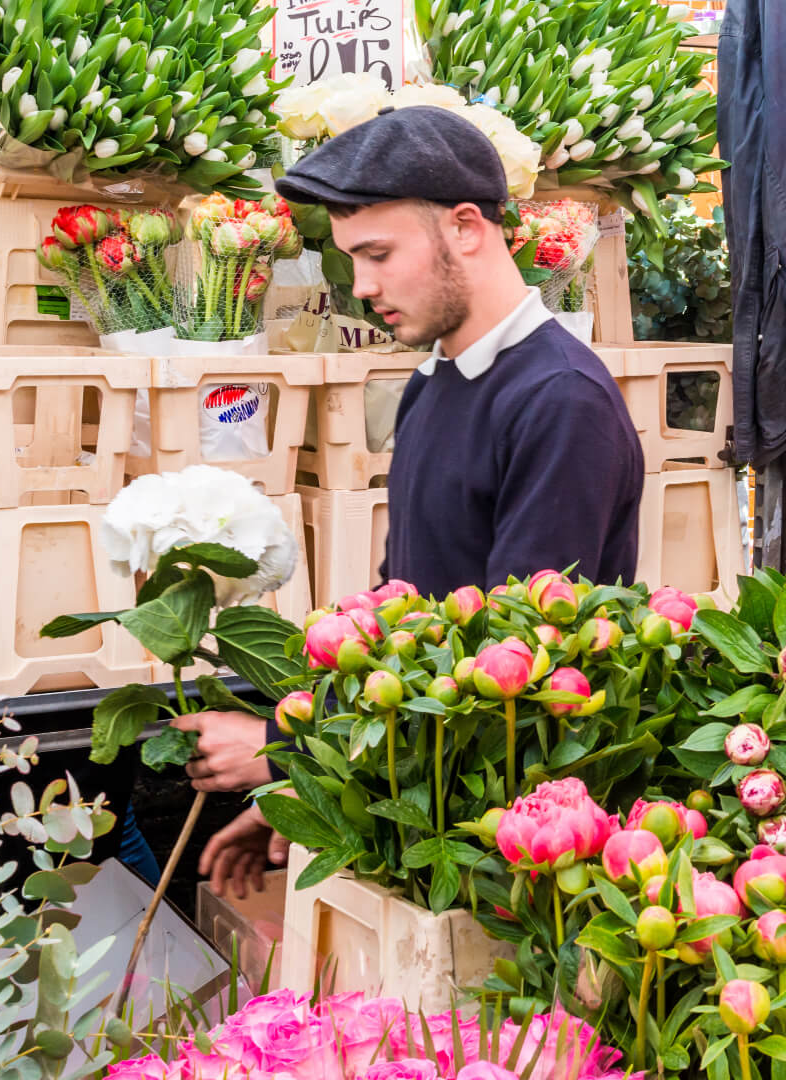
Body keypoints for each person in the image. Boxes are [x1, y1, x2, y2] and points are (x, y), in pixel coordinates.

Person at [181, 105, 645, 897]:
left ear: (466, 227)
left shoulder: (559, 401)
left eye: (378, 254)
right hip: (427, 806)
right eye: (352, 259)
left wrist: (283, 747)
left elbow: (511, 669)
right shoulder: (435, 384)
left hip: (503, 845)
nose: (362, 287)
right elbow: (404, 619)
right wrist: (306, 786)